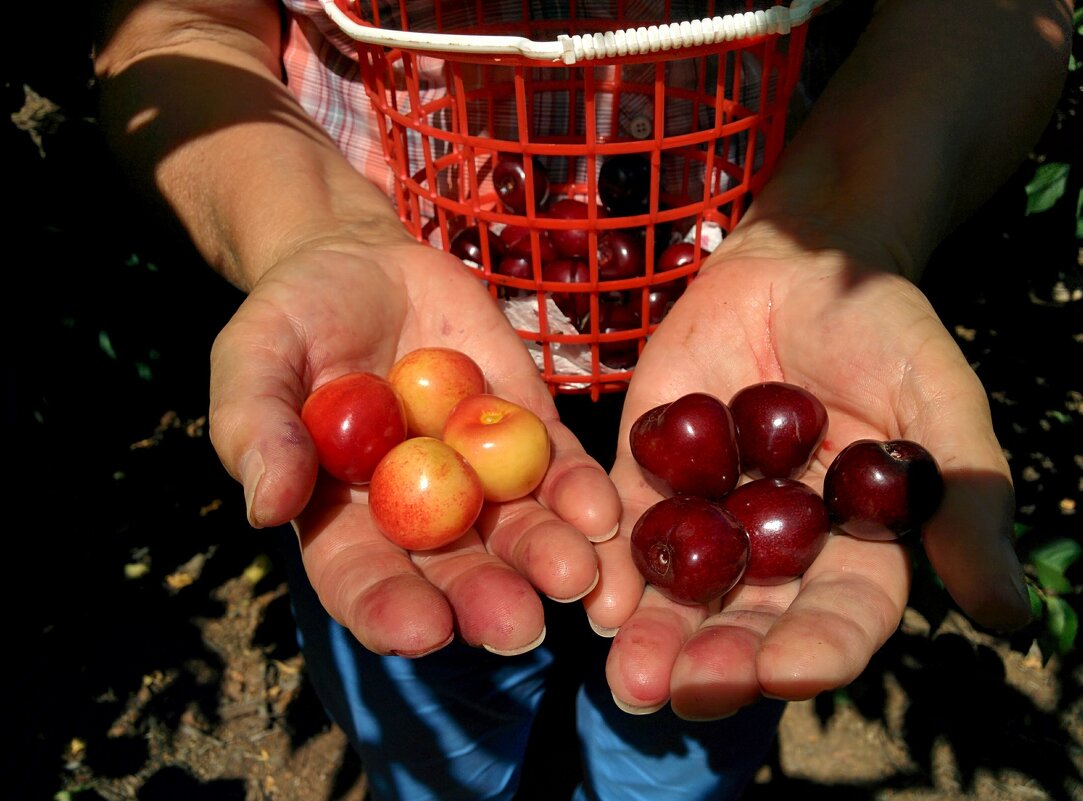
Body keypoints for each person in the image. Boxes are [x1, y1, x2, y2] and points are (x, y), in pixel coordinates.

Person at [93, 0, 1073, 798]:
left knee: (683, 730)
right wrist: (306, 234)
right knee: (438, 733)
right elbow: (180, 22)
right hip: (399, 344)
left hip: (740, 333)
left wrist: (856, 223)